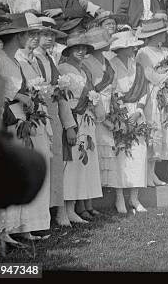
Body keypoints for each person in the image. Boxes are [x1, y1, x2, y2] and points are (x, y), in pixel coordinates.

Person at [0, 13, 52, 244]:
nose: (29, 37)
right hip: (7, 117)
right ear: (17, 36)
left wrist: (29, 100)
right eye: (26, 34)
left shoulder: (15, 60)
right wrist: (18, 95)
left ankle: (20, 226)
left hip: (21, 117)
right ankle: (2, 230)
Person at [14, 20, 54, 238]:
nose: (35, 38)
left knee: (42, 168)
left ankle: (37, 223)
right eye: (31, 34)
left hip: (40, 118)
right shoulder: (18, 59)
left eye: (38, 34)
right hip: (26, 119)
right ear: (21, 36)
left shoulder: (37, 59)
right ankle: (24, 227)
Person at [58, 32, 103, 224]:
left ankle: (79, 206)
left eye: (84, 48)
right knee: (72, 164)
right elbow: (63, 99)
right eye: (77, 48)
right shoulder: (62, 69)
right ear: (68, 51)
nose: (81, 51)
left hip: (87, 119)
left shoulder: (84, 71)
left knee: (84, 162)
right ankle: (67, 210)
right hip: (74, 118)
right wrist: (69, 125)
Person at [33, 21, 73, 227]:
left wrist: (69, 125)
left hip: (53, 115)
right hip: (38, 113)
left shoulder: (50, 59)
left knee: (56, 161)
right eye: (44, 34)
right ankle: (39, 216)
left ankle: (59, 211)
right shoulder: (29, 57)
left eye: (51, 35)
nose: (49, 38)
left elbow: (61, 94)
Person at [109, 30, 150, 212]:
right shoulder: (111, 65)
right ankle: (119, 198)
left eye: (134, 46)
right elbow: (110, 92)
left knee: (138, 154)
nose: (133, 48)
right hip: (119, 112)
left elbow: (144, 90)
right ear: (120, 49)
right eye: (129, 46)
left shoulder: (138, 66)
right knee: (120, 156)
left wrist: (139, 111)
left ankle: (134, 198)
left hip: (137, 113)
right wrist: (121, 115)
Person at [135, 18, 168, 187]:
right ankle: (146, 174)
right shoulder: (143, 52)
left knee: (163, 130)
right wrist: (166, 78)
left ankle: (153, 173)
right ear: (155, 34)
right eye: (163, 32)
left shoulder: (166, 51)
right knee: (153, 129)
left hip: (166, 94)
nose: (165, 35)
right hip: (152, 93)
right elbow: (148, 74)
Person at [82, 27, 117, 192]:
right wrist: (103, 116)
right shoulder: (87, 63)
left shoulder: (106, 61)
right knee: (95, 150)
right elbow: (90, 91)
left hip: (108, 105)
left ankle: (100, 192)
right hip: (95, 110)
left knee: (105, 150)